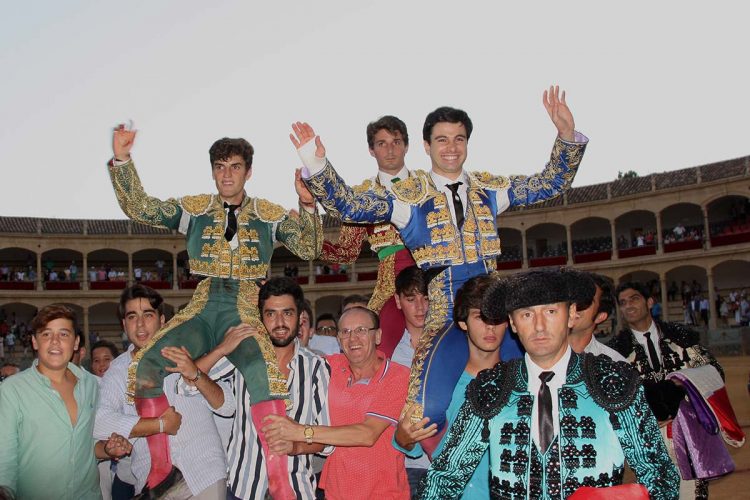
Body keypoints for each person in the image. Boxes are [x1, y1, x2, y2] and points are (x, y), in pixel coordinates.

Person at [292, 87, 585, 431]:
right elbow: (352, 207)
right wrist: (316, 163)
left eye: (459, 139)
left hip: (496, 307)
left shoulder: (488, 189)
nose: (451, 148)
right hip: (444, 312)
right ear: (428, 146)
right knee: (424, 413)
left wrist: (566, 135)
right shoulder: (407, 199)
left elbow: (549, 184)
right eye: (442, 140)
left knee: (546, 396)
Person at [108, 123, 322, 496]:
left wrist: (307, 203)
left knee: (261, 374)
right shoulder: (195, 210)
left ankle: (278, 480)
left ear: (248, 172)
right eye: (220, 166)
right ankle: (161, 469)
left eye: (235, 166)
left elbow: (309, 247)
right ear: (212, 171)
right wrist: (123, 159)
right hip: (203, 307)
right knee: (147, 364)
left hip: (242, 309)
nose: (227, 174)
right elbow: (141, 207)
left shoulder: (268, 215)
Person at [419, 270, 680, 499]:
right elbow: (444, 478)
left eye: (551, 311)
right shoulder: (491, 388)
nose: (539, 326)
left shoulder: (612, 381)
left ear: (571, 316)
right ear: (512, 323)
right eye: (526, 315)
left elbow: (659, 478)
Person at [193, 277, 332, 500]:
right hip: (243, 490)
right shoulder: (241, 358)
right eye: (270, 314)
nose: (279, 322)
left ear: (300, 317)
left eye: (287, 313)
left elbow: (326, 440)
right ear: (260, 318)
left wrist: (295, 445)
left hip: (297, 491)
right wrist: (222, 349)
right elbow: (187, 385)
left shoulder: (317, 367)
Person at [94, 285, 234, 499]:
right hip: (154, 484)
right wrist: (159, 425)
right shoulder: (119, 371)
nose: (140, 325)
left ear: (162, 320)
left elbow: (227, 405)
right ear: (124, 324)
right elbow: (98, 422)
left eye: (148, 315)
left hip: (203, 472)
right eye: (132, 317)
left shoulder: (189, 351)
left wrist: (196, 374)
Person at [262, 306, 410, 500]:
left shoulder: (397, 375)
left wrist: (300, 431)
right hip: (335, 491)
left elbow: (367, 434)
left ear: (378, 336)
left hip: (384, 493)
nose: (353, 338)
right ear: (339, 340)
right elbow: (292, 364)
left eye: (361, 330)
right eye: (346, 332)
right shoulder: (329, 366)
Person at [0, 305, 132, 500]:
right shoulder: (12, 389)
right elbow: (5, 457)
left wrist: (107, 449)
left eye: (63, 334)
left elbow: (87, 444)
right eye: (46, 335)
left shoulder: (91, 385)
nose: (55, 342)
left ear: (76, 342)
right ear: (35, 342)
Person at [608, 281, 724, 498]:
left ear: (650, 302)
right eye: (623, 303)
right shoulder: (616, 351)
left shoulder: (681, 337)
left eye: (634, 299)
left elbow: (714, 372)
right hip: (647, 439)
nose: (628, 306)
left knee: (693, 493)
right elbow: (614, 396)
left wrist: (681, 385)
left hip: (689, 432)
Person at [395, 274, 507, 499]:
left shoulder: (522, 382)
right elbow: (411, 442)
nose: (490, 327)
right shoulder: (438, 384)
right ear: (463, 322)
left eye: (497, 318)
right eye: (480, 317)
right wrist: (403, 438)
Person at [319, 116, 418, 357]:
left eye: (396, 142)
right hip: (390, 283)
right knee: (376, 351)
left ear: (406, 145)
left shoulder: (429, 186)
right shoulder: (362, 197)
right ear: (371, 150)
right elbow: (347, 252)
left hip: (433, 273)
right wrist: (313, 239)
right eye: (382, 143)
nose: (390, 149)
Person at [389, 266, 431, 494]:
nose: (420, 307)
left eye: (426, 298)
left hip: (450, 463)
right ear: (398, 301)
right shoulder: (390, 353)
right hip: (409, 464)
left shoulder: (453, 345)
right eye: (411, 299)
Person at [565, 270, 626, 361]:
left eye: (584, 301)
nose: (573, 306)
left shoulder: (615, 363)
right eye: (570, 299)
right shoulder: (537, 357)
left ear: (600, 316)